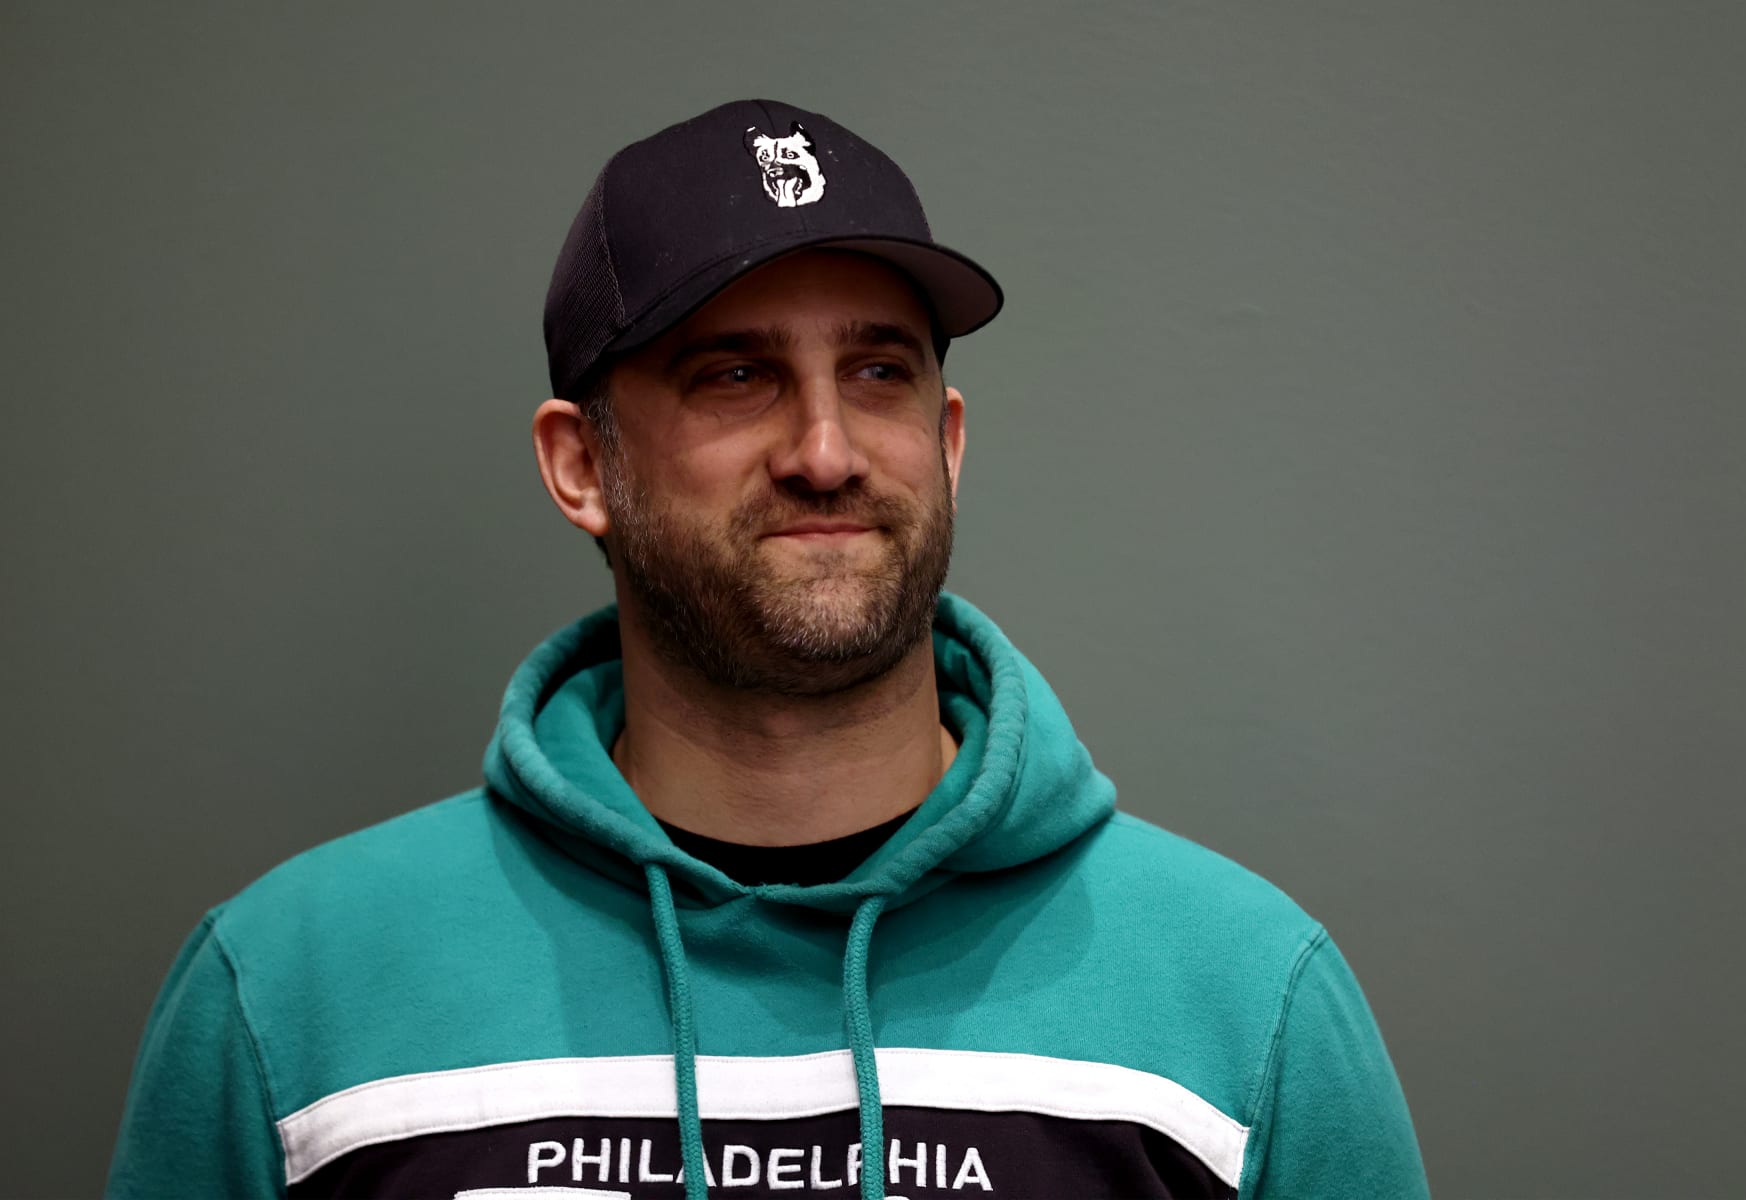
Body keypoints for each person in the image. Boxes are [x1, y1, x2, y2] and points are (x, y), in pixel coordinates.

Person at [107, 99, 1428, 1200]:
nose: (826, 451)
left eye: (879, 373)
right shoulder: (293, 997)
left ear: (948, 442)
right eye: (734, 375)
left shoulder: (1241, 1002)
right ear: (581, 466)